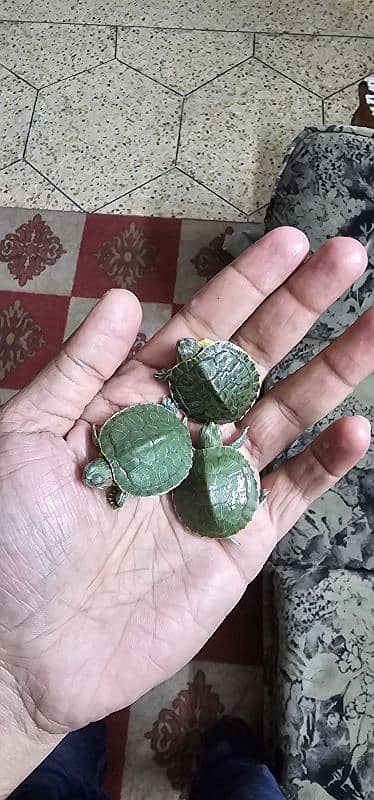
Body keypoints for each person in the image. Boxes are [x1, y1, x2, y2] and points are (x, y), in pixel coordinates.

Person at [0, 228, 372, 800]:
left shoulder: (156, 425)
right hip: (182, 451)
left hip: (191, 440)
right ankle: (230, 762)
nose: (93, 477)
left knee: (52, 782)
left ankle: (133, 755)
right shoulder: (135, 454)